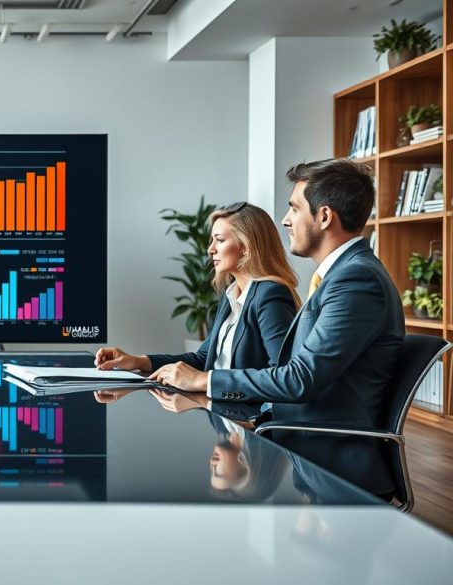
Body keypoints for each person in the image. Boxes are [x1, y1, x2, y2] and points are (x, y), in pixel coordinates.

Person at [148, 158, 404, 496]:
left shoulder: (356, 280)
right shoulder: (339, 277)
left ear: (325, 216)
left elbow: (300, 379)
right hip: (296, 442)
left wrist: (205, 379)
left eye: (294, 209)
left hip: (327, 461)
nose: (285, 220)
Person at [94, 202, 300, 384]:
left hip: (247, 420)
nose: (210, 249)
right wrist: (138, 361)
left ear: (246, 246)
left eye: (219, 240)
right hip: (220, 415)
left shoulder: (270, 294)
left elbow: (282, 376)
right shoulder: (231, 295)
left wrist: (207, 381)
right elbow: (203, 358)